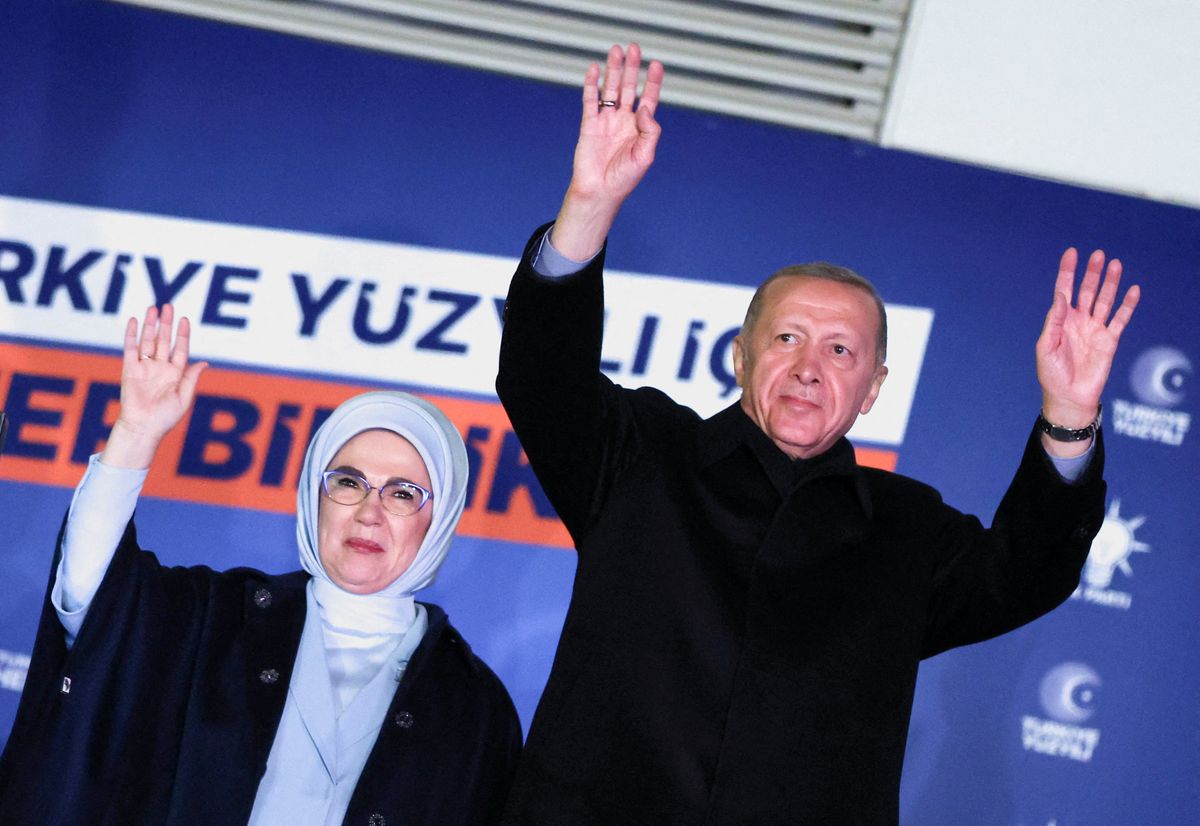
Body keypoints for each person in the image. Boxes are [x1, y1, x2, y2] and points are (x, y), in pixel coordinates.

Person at [495, 44, 1140, 823]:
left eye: (840, 352)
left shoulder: (908, 530)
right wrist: (589, 207)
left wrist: (1068, 416)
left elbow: (1028, 572)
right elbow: (541, 376)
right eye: (787, 338)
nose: (809, 367)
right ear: (740, 356)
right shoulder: (640, 456)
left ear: (872, 391)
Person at [0, 305, 521, 824]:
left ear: (441, 516)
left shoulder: (473, 706)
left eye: (404, 494)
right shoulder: (217, 619)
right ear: (313, 495)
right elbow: (94, 598)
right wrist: (135, 434)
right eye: (347, 482)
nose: (369, 513)